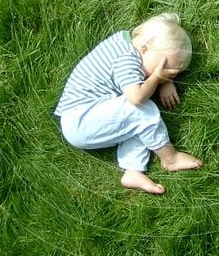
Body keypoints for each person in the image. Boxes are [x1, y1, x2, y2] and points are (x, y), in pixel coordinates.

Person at [54, 13, 202, 195]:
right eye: (164, 68)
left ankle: (133, 171)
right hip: (81, 121)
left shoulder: (127, 43)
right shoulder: (127, 60)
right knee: (141, 110)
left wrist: (165, 81)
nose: (167, 73)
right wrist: (157, 78)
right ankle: (170, 159)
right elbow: (136, 97)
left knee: (132, 122)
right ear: (145, 49)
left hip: (85, 117)